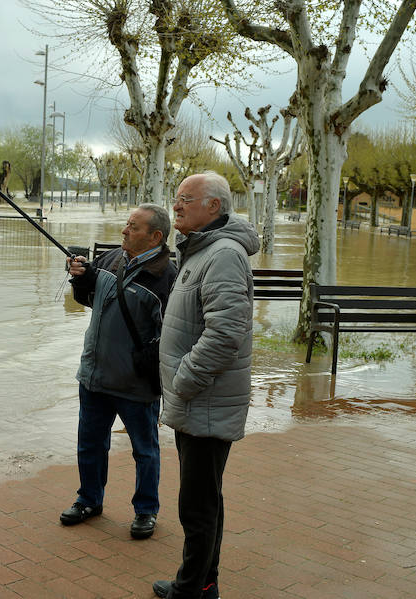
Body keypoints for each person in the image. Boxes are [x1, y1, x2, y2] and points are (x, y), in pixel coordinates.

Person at [152, 172, 259, 599]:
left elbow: (226, 332)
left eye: (186, 199)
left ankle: (190, 588)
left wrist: (184, 380)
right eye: (175, 198)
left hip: (204, 399)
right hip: (198, 399)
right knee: (204, 500)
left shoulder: (224, 254)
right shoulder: (201, 250)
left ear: (213, 207)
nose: (176, 205)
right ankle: (203, 584)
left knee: (196, 506)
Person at [61, 203, 178, 540]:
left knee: (145, 450)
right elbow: (87, 299)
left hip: (135, 384)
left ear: (155, 236)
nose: (125, 231)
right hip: (94, 375)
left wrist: (149, 364)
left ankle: (145, 511)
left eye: (133, 226)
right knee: (89, 444)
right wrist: (80, 276)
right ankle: (88, 500)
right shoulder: (112, 259)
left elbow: (171, 335)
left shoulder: (167, 278)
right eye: (127, 224)